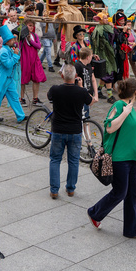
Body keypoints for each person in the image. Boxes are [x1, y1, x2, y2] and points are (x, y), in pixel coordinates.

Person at [87, 78, 136, 239]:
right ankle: (94, 212)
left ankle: (132, 230)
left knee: (132, 193)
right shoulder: (120, 106)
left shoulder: (130, 107)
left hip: (131, 157)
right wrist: (125, 113)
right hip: (119, 159)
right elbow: (109, 127)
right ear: (135, 92)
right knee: (120, 192)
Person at [46, 64, 93, 198]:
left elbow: (49, 97)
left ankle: (54, 190)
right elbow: (90, 101)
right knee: (73, 161)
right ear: (76, 77)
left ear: (62, 76)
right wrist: (82, 86)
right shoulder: (81, 91)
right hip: (75, 131)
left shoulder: (55, 90)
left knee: (55, 160)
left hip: (58, 130)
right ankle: (70, 188)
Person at [0, 24, 26, 124]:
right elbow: (8, 64)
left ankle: (21, 116)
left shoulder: (9, 49)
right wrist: (16, 56)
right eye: (12, 40)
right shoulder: (3, 51)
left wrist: (17, 53)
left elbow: (15, 60)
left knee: (14, 97)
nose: (14, 41)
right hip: (2, 79)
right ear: (7, 41)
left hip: (9, 79)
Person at [18, 19, 46, 105]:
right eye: (29, 25)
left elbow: (38, 46)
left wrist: (31, 41)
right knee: (23, 79)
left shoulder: (34, 35)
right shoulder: (21, 37)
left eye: (32, 26)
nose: (31, 27)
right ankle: (21, 98)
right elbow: (18, 47)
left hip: (34, 59)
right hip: (25, 59)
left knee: (37, 78)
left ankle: (35, 98)